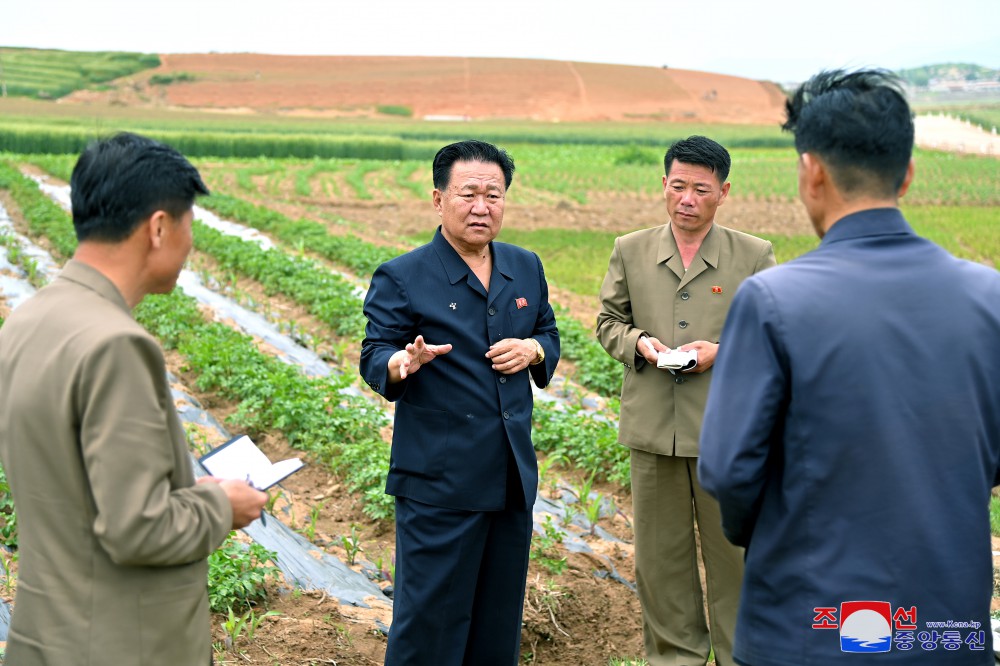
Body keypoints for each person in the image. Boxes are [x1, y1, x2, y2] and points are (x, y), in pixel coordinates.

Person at [698, 69, 1000, 665]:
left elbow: (730, 470)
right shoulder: (988, 297)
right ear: (907, 173)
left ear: (811, 171)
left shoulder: (774, 301)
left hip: (817, 626)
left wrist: (777, 537)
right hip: (947, 627)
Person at [0, 132, 267, 665]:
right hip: (122, 643)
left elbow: (80, 489)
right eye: (190, 225)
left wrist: (185, 492)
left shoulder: (29, 317)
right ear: (160, 227)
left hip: (46, 635)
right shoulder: (117, 344)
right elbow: (137, 529)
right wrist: (221, 504)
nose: (191, 244)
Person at [359, 139, 559, 665]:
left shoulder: (525, 265)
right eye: (468, 193)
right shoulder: (403, 275)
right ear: (438, 199)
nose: (481, 206)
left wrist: (535, 348)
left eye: (493, 194)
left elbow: (548, 332)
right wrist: (400, 364)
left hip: (509, 478)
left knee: (496, 626)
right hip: (439, 484)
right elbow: (375, 352)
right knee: (431, 624)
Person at [596, 135, 775, 666]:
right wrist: (640, 346)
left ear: (723, 192)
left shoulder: (752, 254)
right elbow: (609, 323)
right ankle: (676, 658)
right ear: (664, 187)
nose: (687, 199)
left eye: (701, 189)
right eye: (678, 186)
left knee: (736, 557)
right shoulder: (631, 248)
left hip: (728, 435)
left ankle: (745, 655)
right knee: (661, 561)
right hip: (653, 432)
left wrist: (721, 352)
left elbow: (773, 333)